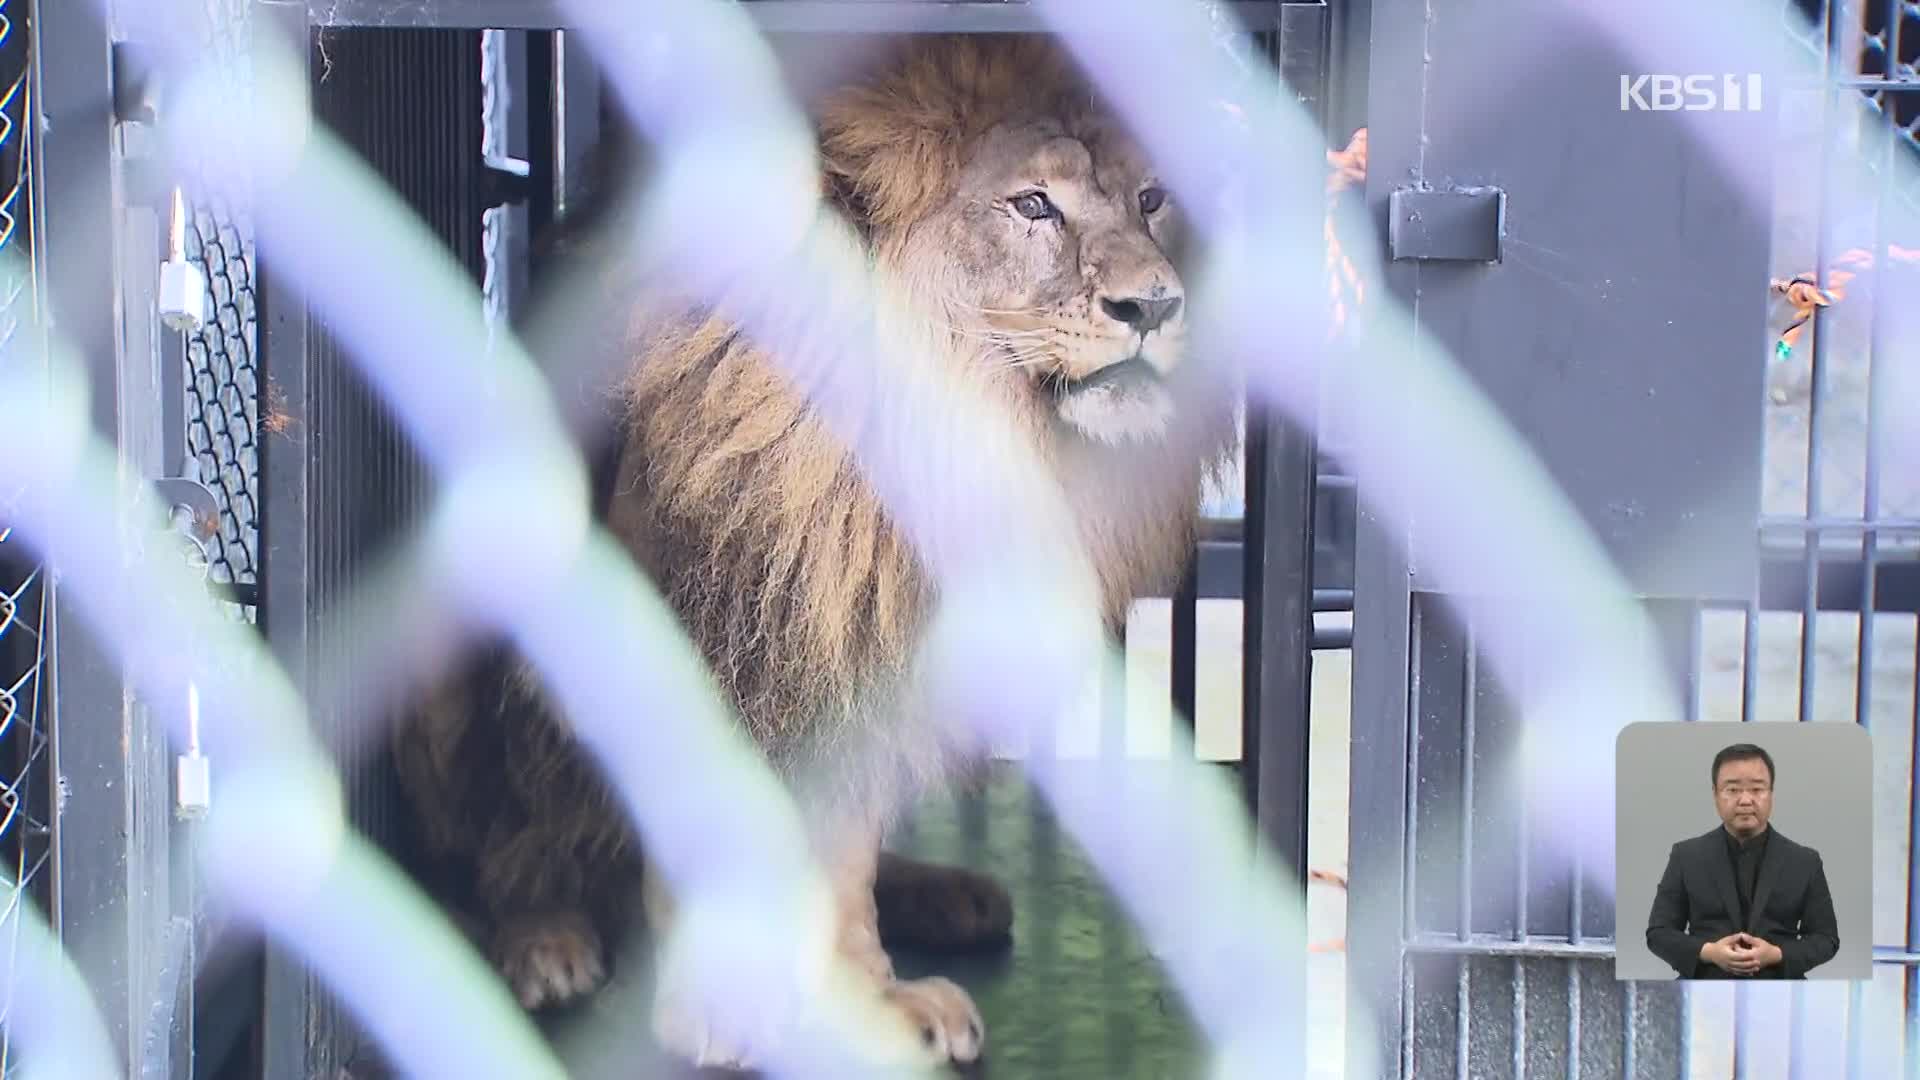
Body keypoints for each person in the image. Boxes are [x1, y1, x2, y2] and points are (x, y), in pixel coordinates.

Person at [1643, 742, 1840, 979]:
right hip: (1703, 988)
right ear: (1715, 794)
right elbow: (1659, 933)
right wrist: (1710, 952)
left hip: (1780, 989)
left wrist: (1776, 954)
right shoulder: (1686, 856)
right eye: (1733, 790)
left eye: (1757, 789)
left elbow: (1826, 939)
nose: (1745, 800)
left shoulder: (1805, 861)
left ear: (1771, 794)